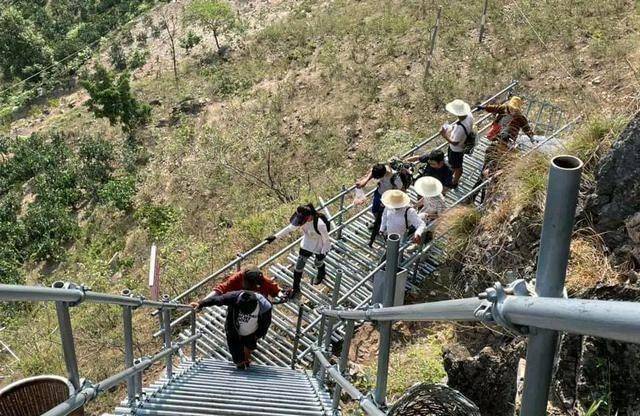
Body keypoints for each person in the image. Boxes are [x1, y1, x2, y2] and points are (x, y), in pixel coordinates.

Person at [191, 291, 272, 370]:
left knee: (250, 346)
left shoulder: (264, 305)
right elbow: (217, 300)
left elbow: (265, 323)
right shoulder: (233, 297)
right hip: (233, 327)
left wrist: (257, 335)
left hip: (252, 330)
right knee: (236, 356)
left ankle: (246, 361)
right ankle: (240, 363)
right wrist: (200, 304)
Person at [264, 204, 331, 298]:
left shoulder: (320, 224)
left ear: (309, 216)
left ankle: (321, 272)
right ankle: (296, 288)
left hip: (320, 245)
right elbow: (290, 228)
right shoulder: (302, 221)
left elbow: (326, 239)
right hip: (307, 244)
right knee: (298, 266)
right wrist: (275, 236)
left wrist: (324, 250)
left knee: (318, 263)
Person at [477, 96, 534, 175]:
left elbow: (526, 128)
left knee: (502, 141)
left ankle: (490, 170)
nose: (513, 111)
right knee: (496, 142)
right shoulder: (504, 108)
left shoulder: (520, 118)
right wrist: (484, 108)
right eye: (511, 108)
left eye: (515, 109)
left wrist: (531, 136)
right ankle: (488, 170)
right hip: (500, 130)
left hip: (509, 134)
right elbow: (494, 108)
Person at [355, 163, 405, 247]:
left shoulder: (395, 178)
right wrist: (365, 181)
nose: (376, 179)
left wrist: (388, 200)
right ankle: (378, 224)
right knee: (375, 211)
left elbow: (399, 190)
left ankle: (383, 229)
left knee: (386, 215)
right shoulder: (381, 168)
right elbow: (372, 171)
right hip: (379, 193)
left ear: (383, 174)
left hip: (389, 198)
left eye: (378, 178)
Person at [440, 99, 474, 188]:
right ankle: (454, 180)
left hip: (456, 150)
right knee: (457, 165)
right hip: (462, 146)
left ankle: (454, 182)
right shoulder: (469, 115)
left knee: (456, 167)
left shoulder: (460, 128)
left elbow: (455, 142)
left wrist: (444, 135)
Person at [204, 265, 286, 301]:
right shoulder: (236, 279)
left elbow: (275, 289)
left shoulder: (261, 280)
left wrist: (281, 295)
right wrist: (202, 302)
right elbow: (220, 289)